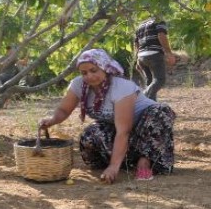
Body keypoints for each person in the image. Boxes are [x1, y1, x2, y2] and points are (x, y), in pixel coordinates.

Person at [38, 49, 176, 184]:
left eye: (93, 70)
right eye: (84, 73)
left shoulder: (121, 87)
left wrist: (113, 166)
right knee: (90, 134)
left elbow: (123, 131)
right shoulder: (78, 84)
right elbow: (63, 110)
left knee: (159, 112)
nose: (89, 76)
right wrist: (52, 120)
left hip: (146, 130)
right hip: (121, 131)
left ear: (105, 68)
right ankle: (125, 161)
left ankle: (145, 160)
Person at [134, 17, 176, 101]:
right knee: (160, 80)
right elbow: (161, 35)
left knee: (149, 81)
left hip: (142, 56)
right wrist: (168, 53)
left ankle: (150, 106)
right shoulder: (158, 20)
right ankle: (143, 96)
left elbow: (136, 43)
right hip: (154, 54)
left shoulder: (140, 25)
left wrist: (137, 58)